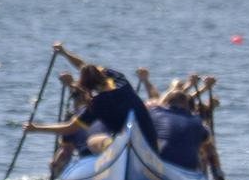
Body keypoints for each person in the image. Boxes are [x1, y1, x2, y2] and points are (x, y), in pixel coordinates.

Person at [22, 61, 161, 155]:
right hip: (150, 143)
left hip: (129, 148)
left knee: (93, 142)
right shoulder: (120, 79)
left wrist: (36, 128)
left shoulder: (97, 104)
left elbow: (70, 128)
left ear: (87, 88)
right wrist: (64, 53)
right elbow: (87, 68)